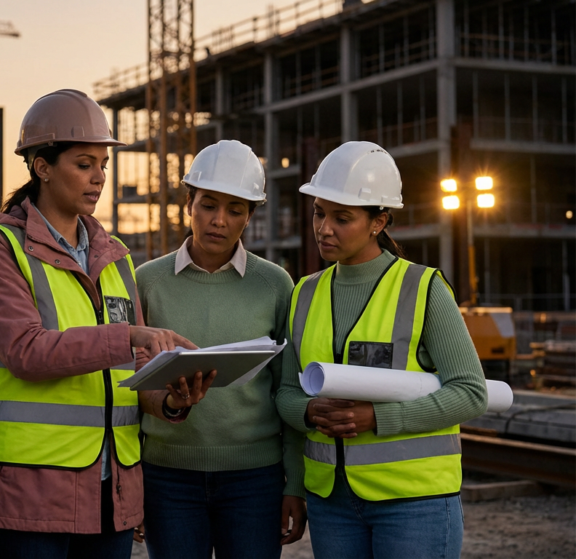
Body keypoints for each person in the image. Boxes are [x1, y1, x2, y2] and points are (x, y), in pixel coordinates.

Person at [0, 89, 215, 559]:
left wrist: (171, 400)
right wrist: (130, 335)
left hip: (109, 489)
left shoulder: (112, 255)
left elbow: (132, 373)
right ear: (42, 166)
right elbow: (25, 351)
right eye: (83, 164)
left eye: (103, 164)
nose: (99, 177)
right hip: (29, 493)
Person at [276, 141, 489, 559]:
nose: (324, 228)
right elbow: (284, 392)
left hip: (414, 503)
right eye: (319, 212)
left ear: (379, 222)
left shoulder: (423, 289)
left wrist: (379, 417)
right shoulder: (303, 293)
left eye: (343, 218)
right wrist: (307, 412)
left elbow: (470, 391)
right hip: (331, 502)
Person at [135, 140, 306, 559]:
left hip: (256, 480)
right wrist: (130, 484)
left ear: (250, 216)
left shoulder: (275, 285)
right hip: (165, 477)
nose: (219, 221)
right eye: (209, 205)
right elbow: (126, 387)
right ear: (188, 203)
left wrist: (295, 484)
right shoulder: (146, 282)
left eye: (235, 210)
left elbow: (288, 387)